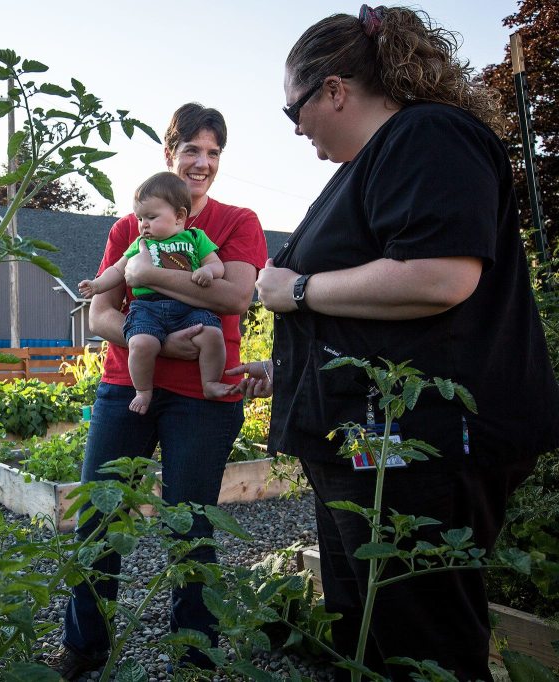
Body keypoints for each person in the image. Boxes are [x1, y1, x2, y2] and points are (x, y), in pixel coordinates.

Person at [238, 6, 559, 679]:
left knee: (425, 643)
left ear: (335, 89)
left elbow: (439, 276)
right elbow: (377, 307)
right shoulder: (378, 160)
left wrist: (295, 291)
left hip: (424, 447)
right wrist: (286, 367)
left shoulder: (430, 135)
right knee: (374, 632)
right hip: (374, 445)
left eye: (292, 110)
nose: (295, 128)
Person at [48, 103, 268, 678]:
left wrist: (148, 278)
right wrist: (162, 342)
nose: (202, 163)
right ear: (169, 155)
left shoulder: (237, 222)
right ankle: (85, 645)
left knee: (190, 521)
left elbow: (235, 299)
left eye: (213, 153)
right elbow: (100, 316)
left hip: (204, 393)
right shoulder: (129, 227)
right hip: (127, 385)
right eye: (191, 150)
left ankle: (194, 656)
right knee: (99, 514)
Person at [78, 171, 226, 414]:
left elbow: (217, 264)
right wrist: (96, 286)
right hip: (148, 309)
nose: (143, 224)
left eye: (151, 217)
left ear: (179, 216)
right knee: (140, 343)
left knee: (212, 336)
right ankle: (143, 391)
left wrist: (208, 271)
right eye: (139, 218)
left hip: (189, 308)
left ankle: (210, 383)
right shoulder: (139, 244)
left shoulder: (196, 238)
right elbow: (117, 271)